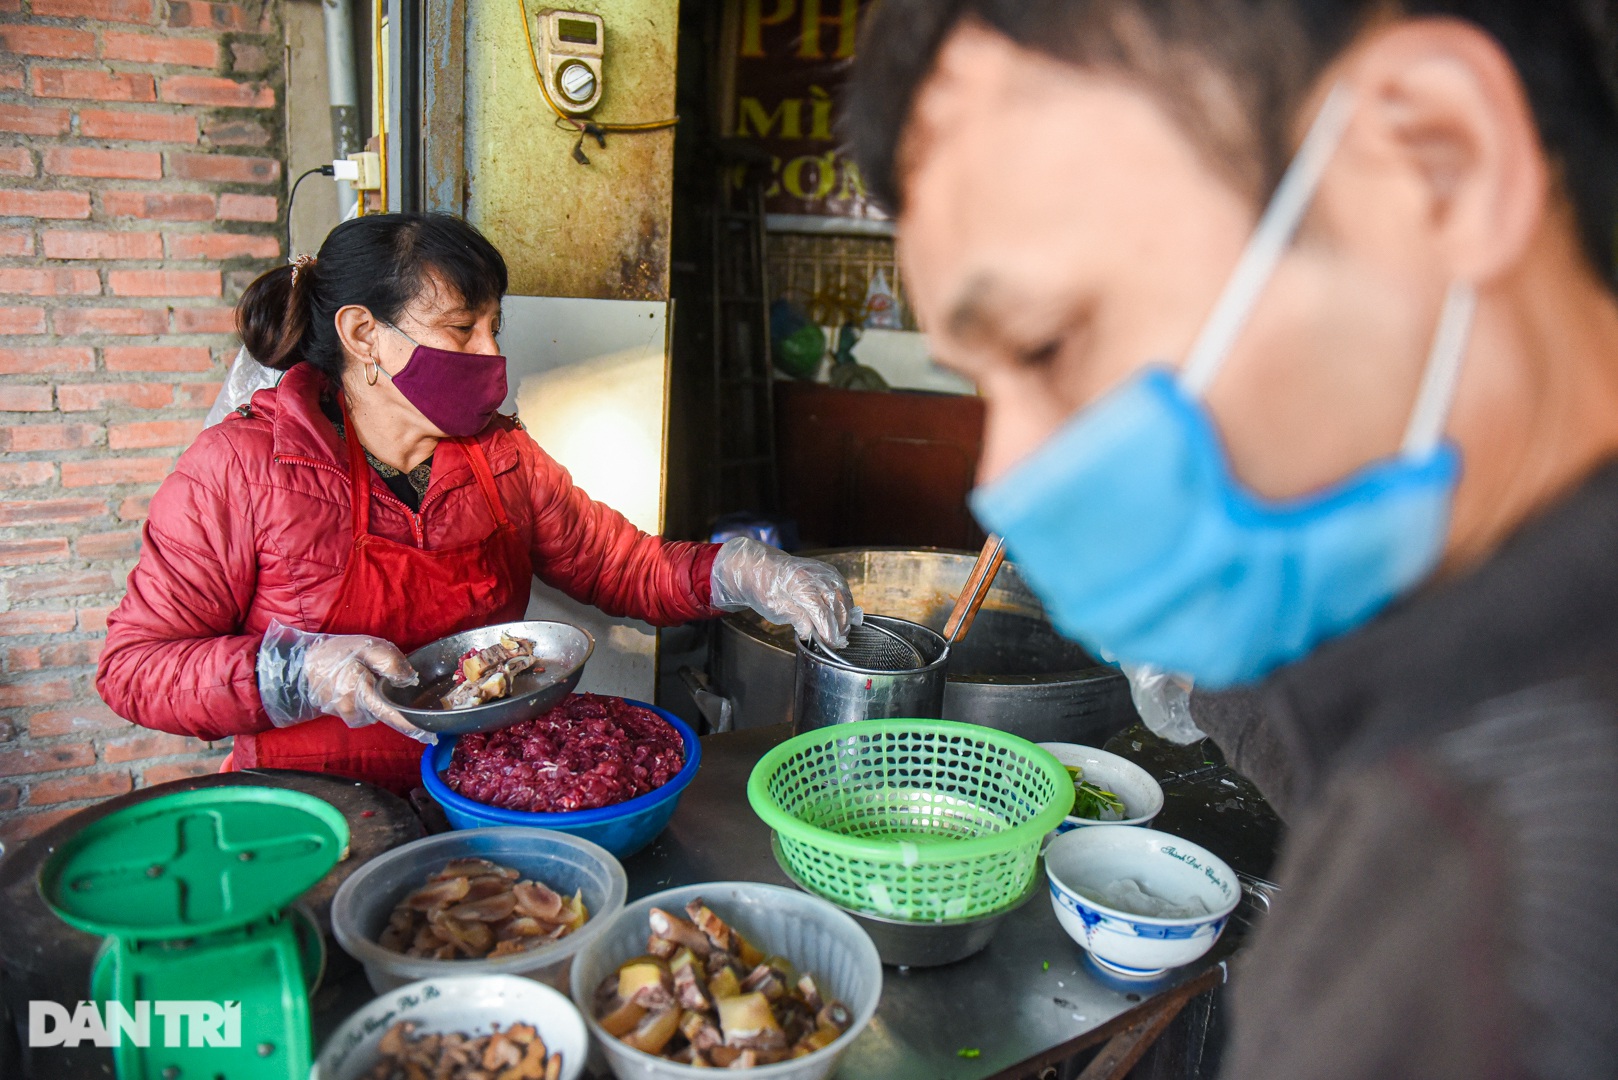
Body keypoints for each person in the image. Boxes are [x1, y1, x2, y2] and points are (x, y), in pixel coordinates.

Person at [846, 2, 1618, 1077]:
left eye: (1048, 340)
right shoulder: (1458, 732)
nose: (1001, 480)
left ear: (1441, 160)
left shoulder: (1492, 958)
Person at [96, 213, 855, 795]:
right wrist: (296, 673)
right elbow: (133, 669)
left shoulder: (499, 458)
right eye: (462, 329)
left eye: (495, 327)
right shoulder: (241, 468)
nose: (492, 354)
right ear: (363, 334)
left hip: (479, 797)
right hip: (310, 817)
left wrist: (744, 575)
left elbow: (620, 566)